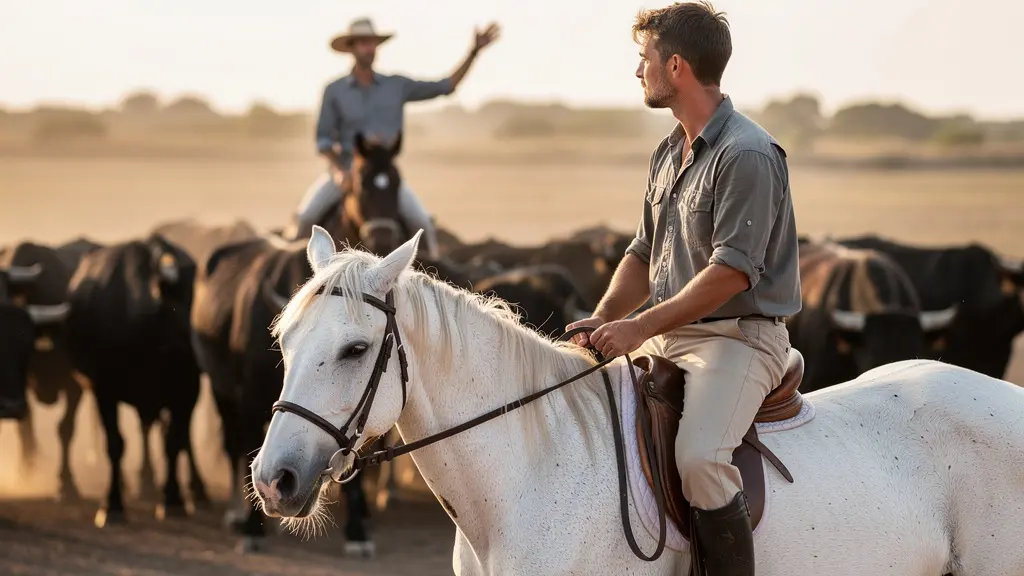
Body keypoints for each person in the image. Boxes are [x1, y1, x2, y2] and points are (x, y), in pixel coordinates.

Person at [566, 2, 801, 574]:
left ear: (676, 66)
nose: (637, 70)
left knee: (699, 460)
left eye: (644, 58)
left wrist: (638, 327)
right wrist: (604, 319)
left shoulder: (746, 153)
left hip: (738, 340)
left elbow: (732, 273)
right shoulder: (668, 151)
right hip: (669, 335)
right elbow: (643, 253)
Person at [287, 17, 501, 256]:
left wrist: (473, 52)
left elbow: (446, 86)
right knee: (306, 219)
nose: (369, 48)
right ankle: (290, 275)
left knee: (422, 222)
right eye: (363, 43)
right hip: (347, 171)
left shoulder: (396, 86)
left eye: (373, 43)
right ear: (352, 48)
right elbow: (323, 140)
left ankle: (431, 271)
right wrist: (339, 171)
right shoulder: (334, 90)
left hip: (385, 175)